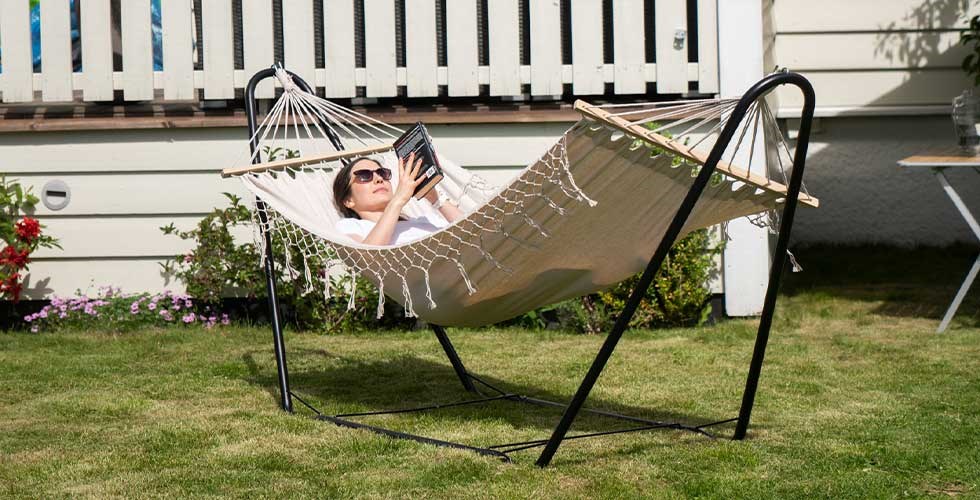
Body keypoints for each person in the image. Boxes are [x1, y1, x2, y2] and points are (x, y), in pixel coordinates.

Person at [333, 153, 463, 245]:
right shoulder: (351, 227)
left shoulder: (427, 220)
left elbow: (471, 233)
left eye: (382, 173)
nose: (379, 179)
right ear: (348, 201)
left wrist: (436, 199)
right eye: (364, 175)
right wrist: (398, 201)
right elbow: (367, 259)